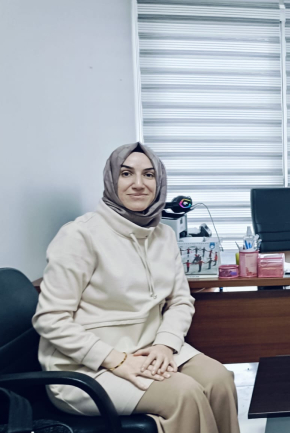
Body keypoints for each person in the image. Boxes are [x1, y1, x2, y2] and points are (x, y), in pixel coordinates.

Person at [33, 142, 240, 433]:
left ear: (159, 182)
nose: (139, 184)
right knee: (185, 394)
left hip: (150, 349)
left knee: (219, 380)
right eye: (126, 173)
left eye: (149, 175)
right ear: (111, 180)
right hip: (88, 366)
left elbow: (180, 301)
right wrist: (116, 360)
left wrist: (166, 344)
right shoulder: (79, 235)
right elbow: (50, 319)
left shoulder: (164, 235)